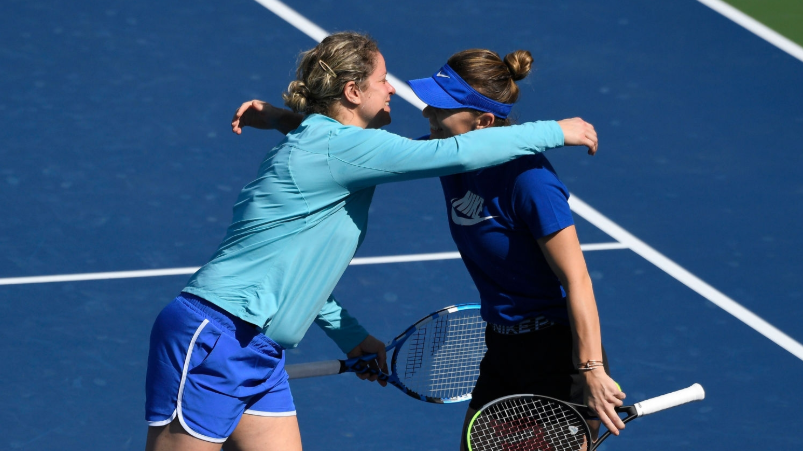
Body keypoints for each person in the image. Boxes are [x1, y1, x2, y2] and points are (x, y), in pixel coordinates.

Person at [146, 32, 599, 451]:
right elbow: (452, 153)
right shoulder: (342, 149)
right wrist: (556, 131)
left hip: (259, 348)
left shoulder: (331, 145)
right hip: (219, 336)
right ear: (352, 92)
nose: (393, 89)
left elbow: (300, 270)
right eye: (383, 80)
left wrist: (351, 334)